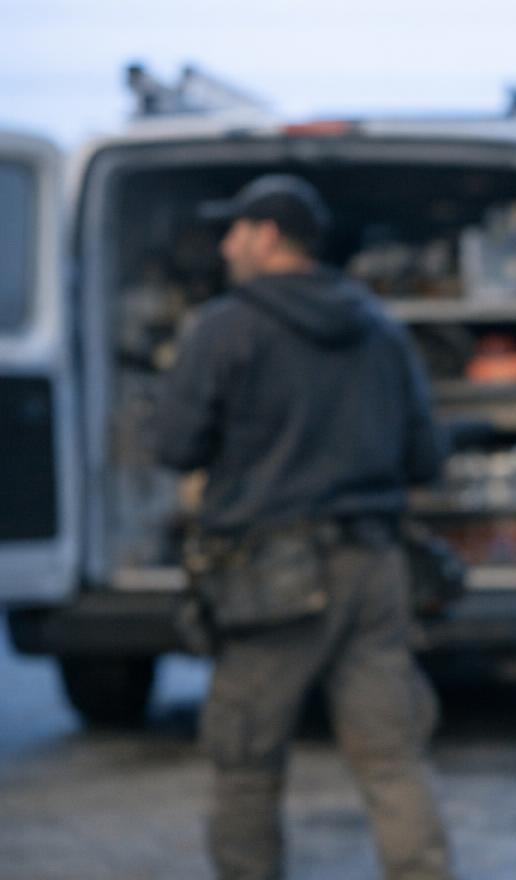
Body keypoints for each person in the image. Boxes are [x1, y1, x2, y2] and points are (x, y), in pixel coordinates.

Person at [152, 173, 452, 880]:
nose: (226, 245)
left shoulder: (224, 326)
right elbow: (426, 457)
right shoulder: (380, 327)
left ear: (265, 235)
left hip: (267, 577)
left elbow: (175, 447)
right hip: (376, 568)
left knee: (247, 764)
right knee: (393, 760)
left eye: (234, 229)